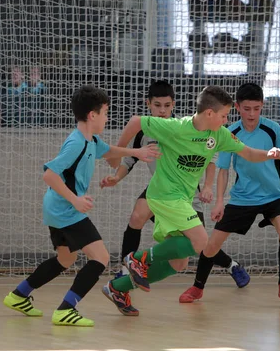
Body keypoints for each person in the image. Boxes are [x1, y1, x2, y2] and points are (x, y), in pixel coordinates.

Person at [101, 86, 280, 316]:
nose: (227, 119)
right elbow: (136, 121)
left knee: (179, 263)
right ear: (209, 113)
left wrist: (268, 154)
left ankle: (117, 289)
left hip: (183, 199)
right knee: (201, 241)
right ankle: (136, 258)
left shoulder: (219, 134)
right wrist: (118, 152)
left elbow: (246, 152)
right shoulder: (176, 127)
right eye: (224, 115)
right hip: (164, 195)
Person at [2, 85, 159, 327]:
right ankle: (66, 309)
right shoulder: (76, 143)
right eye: (106, 112)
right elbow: (50, 174)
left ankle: (19, 295)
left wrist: (135, 151)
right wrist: (75, 199)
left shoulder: (90, 140)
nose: (108, 117)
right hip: (66, 210)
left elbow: (106, 150)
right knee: (101, 257)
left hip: (56, 209)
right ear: (92, 115)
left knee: (65, 259)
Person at [179, 83, 280, 304]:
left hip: (273, 196)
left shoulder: (273, 129)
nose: (252, 114)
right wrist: (219, 202)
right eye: (247, 109)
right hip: (242, 198)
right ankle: (198, 287)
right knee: (211, 244)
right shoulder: (229, 132)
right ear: (237, 107)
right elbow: (224, 170)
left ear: (262, 106)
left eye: (256, 109)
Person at [100, 80, 233, 280]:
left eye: (167, 106)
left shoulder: (182, 128)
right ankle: (127, 269)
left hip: (184, 194)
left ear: (173, 105)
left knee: (190, 248)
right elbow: (129, 160)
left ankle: (231, 264)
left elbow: (211, 158)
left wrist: (207, 186)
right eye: (157, 105)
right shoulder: (145, 131)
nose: (162, 110)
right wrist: (116, 177)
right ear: (148, 104)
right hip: (160, 190)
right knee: (137, 217)